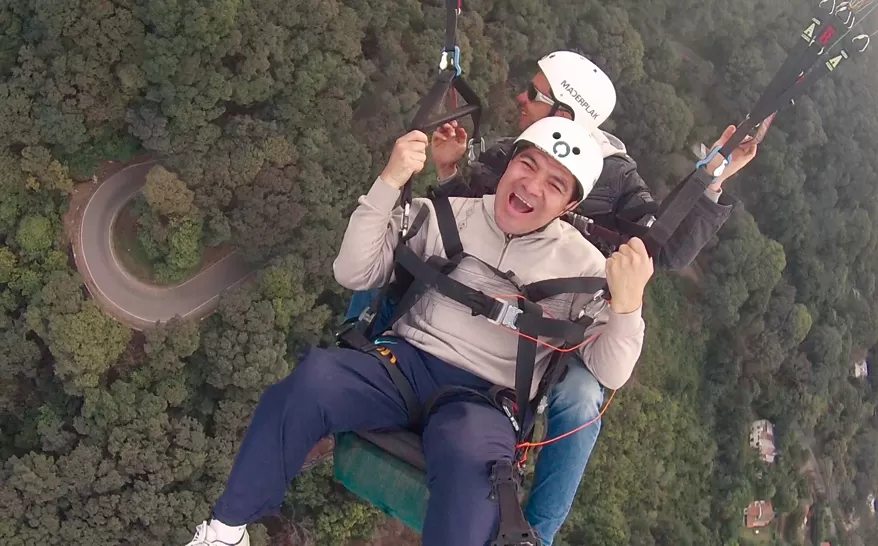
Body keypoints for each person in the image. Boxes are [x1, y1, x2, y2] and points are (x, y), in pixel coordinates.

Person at [345, 50, 759, 545]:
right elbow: (467, 212)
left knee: (583, 399)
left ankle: (535, 535)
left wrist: (711, 181)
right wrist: (452, 174)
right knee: (396, 252)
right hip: (488, 295)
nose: (520, 98)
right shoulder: (514, 150)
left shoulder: (618, 178)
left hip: (564, 320)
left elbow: (661, 245)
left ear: (565, 115)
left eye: (534, 93)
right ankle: (363, 354)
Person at [183, 116, 655, 546]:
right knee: (313, 381)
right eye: (526, 165)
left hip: (486, 400)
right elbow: (353, 272)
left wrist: (628, 305)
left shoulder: (586, 270)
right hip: (403, 364)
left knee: (477, 485)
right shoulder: (448, 215)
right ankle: (225, 531)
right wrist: (389, 182)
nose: (531, 185)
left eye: (554, 184)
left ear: (571, 204)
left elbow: (608, 372)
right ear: (509, 164)